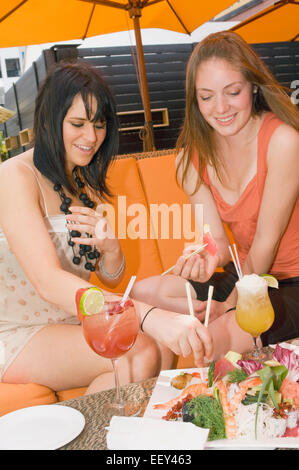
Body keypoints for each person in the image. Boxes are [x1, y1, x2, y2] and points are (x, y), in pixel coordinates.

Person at [0, 61, 213, 395]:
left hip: (70, 319)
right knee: (138, 351)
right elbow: (48, 282)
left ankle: (100, 436)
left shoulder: (81, 181)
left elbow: (110, 278)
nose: (91, 137)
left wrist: (111, 249)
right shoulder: (14, 178)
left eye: (98, 125)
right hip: (17, 330)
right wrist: (151, 316)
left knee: (156, 347)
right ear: (48, 121)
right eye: (77, 124)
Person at [131, 31, 299, 358]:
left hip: (289, 283)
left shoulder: (283, 141)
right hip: (245, 272)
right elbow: (219, 244)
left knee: (213, 337)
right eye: (206, 97)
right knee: (142, 292)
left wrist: (229, 306)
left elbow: (265, 245)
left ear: (252, 85)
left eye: (232, 92)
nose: (220, 108)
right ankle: (158, 395)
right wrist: (204, 256)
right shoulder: (191, 158)